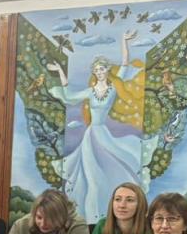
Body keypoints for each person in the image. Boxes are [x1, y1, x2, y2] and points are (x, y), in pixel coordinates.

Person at [42, 30, 144, 222]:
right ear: (94, 72)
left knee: (109, 176)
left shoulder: (114, 88)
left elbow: (124, 65)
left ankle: (104, 221)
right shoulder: (90, 91)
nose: (99, 72)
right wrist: (60, 72)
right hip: (90, 137)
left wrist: (124, 40)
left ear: (107, 70)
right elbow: (70, 97)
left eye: (102, 69)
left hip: (103, 135)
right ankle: (89, 221)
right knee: (92, 179)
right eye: (96, 70)